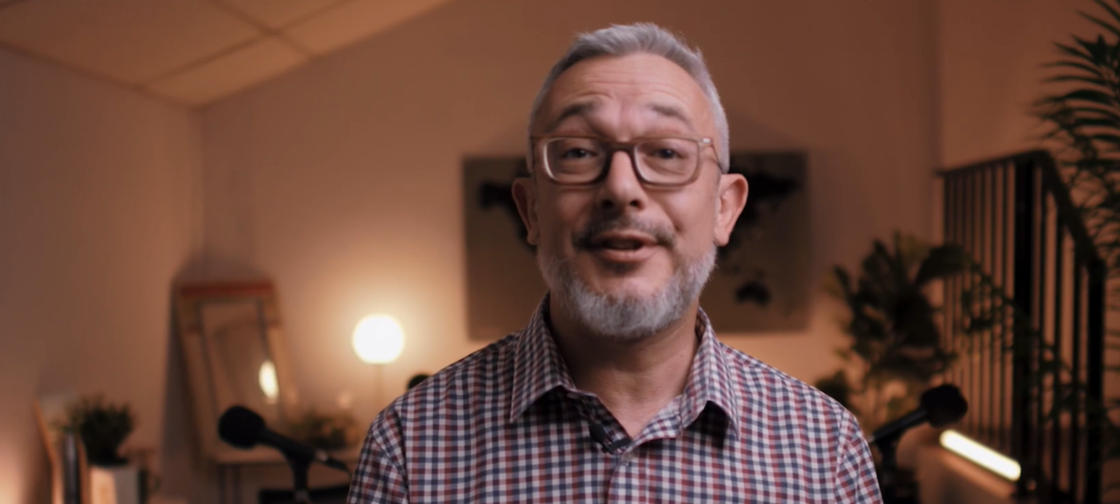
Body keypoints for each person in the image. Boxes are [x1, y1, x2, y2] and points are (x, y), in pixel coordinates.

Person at [348, 23, 882, 503]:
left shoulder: (825, 449)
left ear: (725, 208)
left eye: (667, 153)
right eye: (579, 152)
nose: (621, 188)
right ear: (531, 210)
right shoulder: (410, 447)